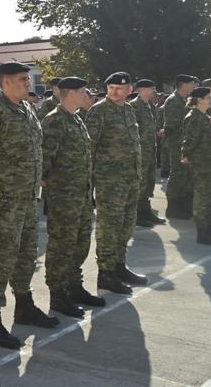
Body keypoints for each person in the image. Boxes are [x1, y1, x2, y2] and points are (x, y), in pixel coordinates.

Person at [0, 61, 56, 350]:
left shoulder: (26, 109)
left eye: (27, 78)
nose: (28, 83)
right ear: (5, 82)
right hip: (0, 204)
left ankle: (24, 305)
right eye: (21, 79)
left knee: (26, 255)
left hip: (26, 200)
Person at [42, 77, 106, 318]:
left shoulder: (76, 118)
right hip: (64, 199)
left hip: (82, 195)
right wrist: (55, 189)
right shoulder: (54, 121)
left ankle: (74, 286)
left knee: (80, 245)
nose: (87, 96)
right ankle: (58, 294)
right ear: (71, 93)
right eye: (83, 92)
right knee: (61, 246)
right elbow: (44, 162)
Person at [85, 72, 147, 295]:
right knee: (109, 227)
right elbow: (89, 147)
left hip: (130, 178)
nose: (114, 91)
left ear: (130, 90)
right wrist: (90, 181)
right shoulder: (99, 111)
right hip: (109, 181)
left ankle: (119, 266)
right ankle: (106, 273)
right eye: (110, 87)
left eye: (119, 88)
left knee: (126, 225)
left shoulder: (128, 109)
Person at [182, 87, 211, 246]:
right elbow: (189, 140)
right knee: (202, 199)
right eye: (208, 97)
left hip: (210, 163)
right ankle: (203, 233)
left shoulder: (204, 117)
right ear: (199, 100)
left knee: (210, 198)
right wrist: (186, 155)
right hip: (201, 164)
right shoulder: (194, 117)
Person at [130, 79, 165, 226]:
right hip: (140, 152)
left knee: (149, 182)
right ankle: (138, 214)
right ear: (143, 90)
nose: (154, 91)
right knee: (141, 183)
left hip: (151, 150)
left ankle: (145, 210)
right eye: (152, 88)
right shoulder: (133, 106)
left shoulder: (150, 106)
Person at [162, 74, 198, 218]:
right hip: (177, 144)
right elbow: (173, 125)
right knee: (177, 174)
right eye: (192, 83)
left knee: (186, 175)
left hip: (186, 143)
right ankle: (172, 208)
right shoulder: (173, 101)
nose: (194, 86)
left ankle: (183, 205)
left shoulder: (185, 99)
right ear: (183, 85)